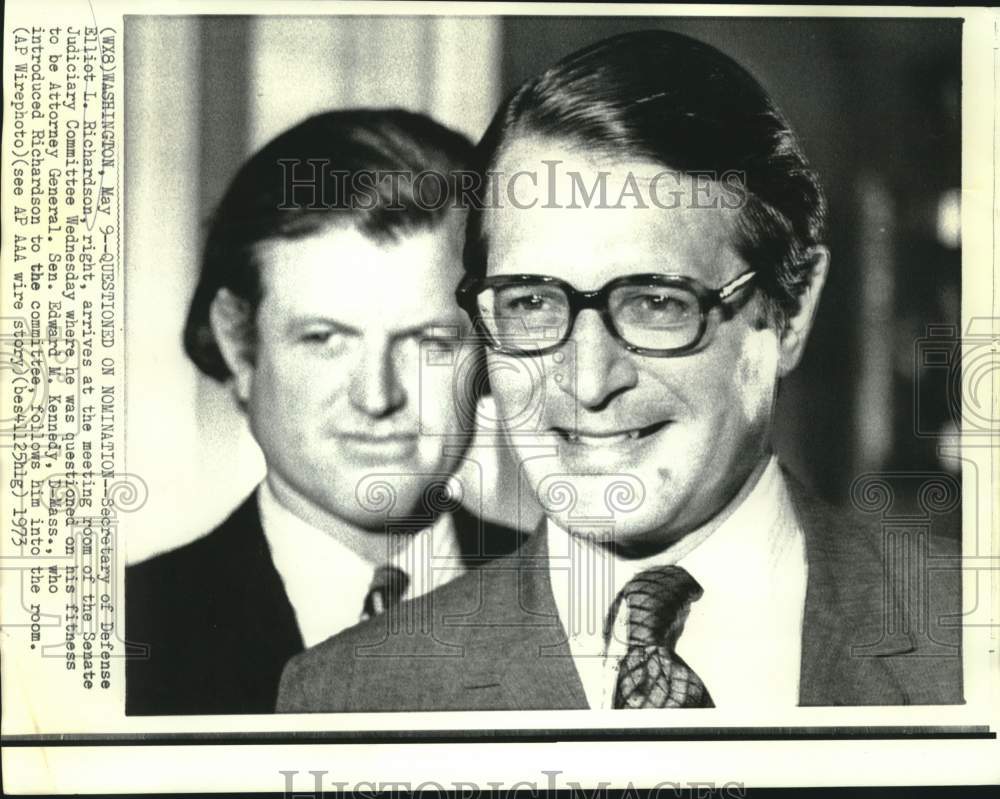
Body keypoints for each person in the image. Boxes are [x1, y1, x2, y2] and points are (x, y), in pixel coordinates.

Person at [276, 31, 962, 712]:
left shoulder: (970, 639)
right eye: (533, 302)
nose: (588, 380)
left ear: (790, 311)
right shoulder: (355, 695)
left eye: (656, 302)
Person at [126, 110, 521, 715]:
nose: (376, 397)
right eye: (324, 339)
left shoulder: (589, 611)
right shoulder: (121, 640)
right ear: (238, 344)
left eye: (430, 343)